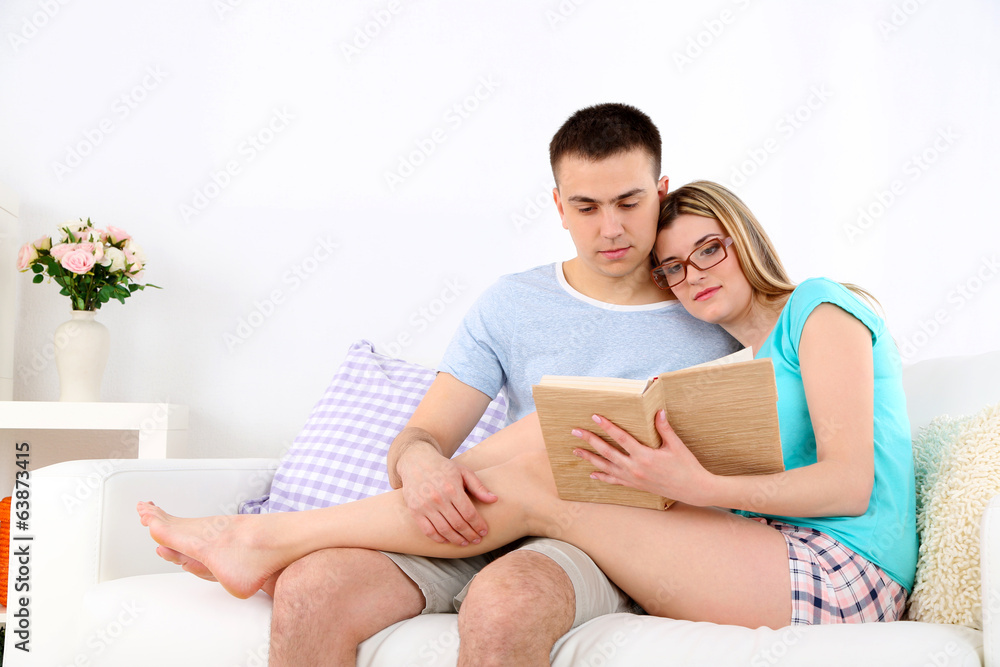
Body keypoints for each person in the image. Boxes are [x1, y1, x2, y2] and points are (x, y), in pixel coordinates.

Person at [139, 180, 917, 633]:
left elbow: (848, 485)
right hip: (765, 548)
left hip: (844, 574)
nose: (693, 274)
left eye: (708, 248)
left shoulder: (823, 307)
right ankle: (287, 535)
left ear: (745, 237)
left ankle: (261, 537)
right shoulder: (736, 361)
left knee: (544, 488)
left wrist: (704, 487)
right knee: (547, 442)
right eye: (674, 266)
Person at [263, 105, 740, 666]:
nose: (610, 228)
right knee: (309, 588)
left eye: (629, 203)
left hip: (611, 544)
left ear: (661, 193)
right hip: (492, 518)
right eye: (586, 207)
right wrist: (419, 463)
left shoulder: (713, 306)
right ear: (559, 206)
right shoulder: (513, 303)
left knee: (505, 600)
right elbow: (423, 434)